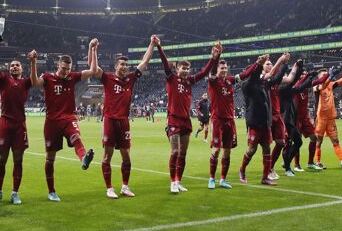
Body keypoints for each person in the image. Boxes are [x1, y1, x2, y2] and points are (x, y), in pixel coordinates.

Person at [28, 41, 98, 202]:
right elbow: (34, 83)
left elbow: (93, 71)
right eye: (64, 68)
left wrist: (92, 49)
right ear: (58, 65)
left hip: (68, 117)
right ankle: (51, 191)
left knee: (76, 136)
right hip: (52, 121)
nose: (66, 71)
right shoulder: (47, 77)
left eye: (69, 69)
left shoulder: (72, 77)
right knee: (50, 158)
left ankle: (83, 158)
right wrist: (33, 62)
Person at [93, 36, 156, 199]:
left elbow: (145, 62)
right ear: (116, 66)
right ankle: (109, 188)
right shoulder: (107, 78)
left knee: (126, 156)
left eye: (126, 65)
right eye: (122, 64)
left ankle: (125, 186)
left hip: (124, 121)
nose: (125, 67)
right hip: (109, 120)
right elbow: (94, 68)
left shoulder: (130, 79)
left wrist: (151, 44)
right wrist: (93, 49)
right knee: (107, 156)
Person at [156, 39, 220, 194]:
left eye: (187, 68)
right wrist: (159, 47)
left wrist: (213, 58)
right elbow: (164, 63)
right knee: (175, 152)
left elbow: (204, 72)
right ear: (177, 69)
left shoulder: (190, 81)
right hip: (173, 119)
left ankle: (178, 181)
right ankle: (172, 182)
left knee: (183, 154)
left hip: (186, 121)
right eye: (182, 68)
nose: (185, 70)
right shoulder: (171, 78)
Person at [206, 54, 260, 189]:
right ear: (217, 69)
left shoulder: (230, 80)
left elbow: (245, 74)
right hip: (217, 120)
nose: (224, 70)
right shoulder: (213, 81)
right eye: (222, 68)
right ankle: (211, 179)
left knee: (227, 151)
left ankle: (223, 180)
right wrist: (216, 57)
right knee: (216, 150)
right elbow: (212, 71)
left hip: (230, 121)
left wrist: (258, 63)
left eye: (225, 68)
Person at [0, 50, 31, 205]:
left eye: (17, 65)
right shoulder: (4, 79)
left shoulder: (26, 82)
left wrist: (33, 61)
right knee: (1, 160)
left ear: (22, 69)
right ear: (8, 69)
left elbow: (34, 78)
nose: (14, 67)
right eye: (12, 65)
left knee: (18, 160)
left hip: (20, 125)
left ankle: (15, 193)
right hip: (5, 124)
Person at [238, 53, 278, 185]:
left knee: (267, 149)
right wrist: (259, 64)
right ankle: (242, 170)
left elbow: (272, 76)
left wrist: (281, 63)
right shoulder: (246, 85)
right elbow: (254, 76)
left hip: (265, 122)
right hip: (254, 122)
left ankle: (265, 178)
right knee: (252, 149)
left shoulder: (262, 84)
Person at [280, 65, 327, 175]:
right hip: (295, 118)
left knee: (313, 137)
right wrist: (307, 76)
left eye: (304, 74)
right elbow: (299, 83)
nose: (303, 76)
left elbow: (319, 81)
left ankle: (310, 162)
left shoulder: (306, 86)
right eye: (302, 74)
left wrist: (329, 74)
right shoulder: (293, 86)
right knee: (296, 141)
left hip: (305, 117)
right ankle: (296, 165)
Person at [313, 66, 342, 170]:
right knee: (319, 141)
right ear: (319, 78)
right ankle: (317, 162)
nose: (326, 76)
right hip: (321, 118)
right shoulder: (316, 87)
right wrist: (330, 75)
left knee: (335, 140)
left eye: (326, 74)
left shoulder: (330, 84)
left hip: (331, 118)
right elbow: (323, 86)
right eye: (323, 75)